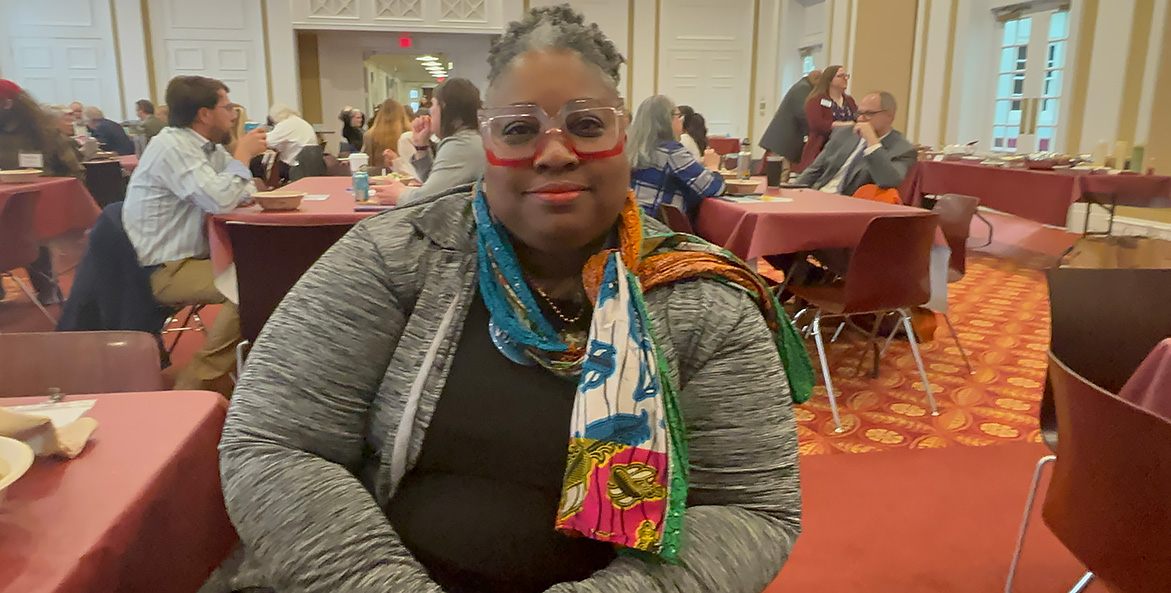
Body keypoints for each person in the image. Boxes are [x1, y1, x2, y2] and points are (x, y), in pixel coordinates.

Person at [218, 6, 807, 593]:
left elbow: (749, 506)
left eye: (586, 125)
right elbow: (274, 442)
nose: (554, 153)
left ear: (624, 138)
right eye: (520, 129)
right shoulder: (395, 254)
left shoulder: (702, 296)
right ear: (486, 140)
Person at [122, 75, 268, 397]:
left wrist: (236, 169)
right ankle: (196, 386)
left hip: (195, 258)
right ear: (204, 114)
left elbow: (241, 192)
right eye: (227, 108)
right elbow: (221, 197)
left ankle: (225, 379)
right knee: (255, 285)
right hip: (166, 269)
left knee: (265, 276)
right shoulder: (172, 146)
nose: (233, 115)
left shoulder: (206, 149)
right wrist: (242, 155)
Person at [0, 80, 80, 305]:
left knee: (35, 243)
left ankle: (47, 286)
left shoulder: (42, 132)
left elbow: (71, 168)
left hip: (38, 201)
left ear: (8, 103)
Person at [372, 78, 486, 205]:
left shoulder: (461, 145)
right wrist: (421, 147)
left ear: (443, 106)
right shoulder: (469, 138)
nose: (430, 110)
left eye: (433, 104)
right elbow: (437, 186)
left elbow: (429, 197)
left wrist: (400, 194)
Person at [795, 91, 916, 196]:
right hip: (820, 196)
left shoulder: (903, 149)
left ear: (890, 115)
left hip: (852, 206)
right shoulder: (844, 133)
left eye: (869, 114)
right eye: (859, 113)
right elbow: (815, 170)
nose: (861, 119)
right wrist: (793, 193)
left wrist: (872, 142)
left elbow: (888, 180)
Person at [628, 95, 725, 217]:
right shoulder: (671, 152)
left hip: (634, 225)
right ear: (666, 120)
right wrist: (712, 167)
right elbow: (714, 188)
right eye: (678, 116)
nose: (681, 121)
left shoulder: (632, 148)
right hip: (661, 230)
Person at [796, 65, 856, 173]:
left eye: (846, 76)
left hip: (845, 148)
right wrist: (845, 125)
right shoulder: (817, 100)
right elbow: (817, 124)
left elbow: (857, 118)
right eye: (840, 76)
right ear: (829, 80)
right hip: (822, 148)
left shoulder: (849, 100)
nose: (845, 79)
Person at [759, 69, 821, 164]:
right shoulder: (803, 88)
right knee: (780, 174)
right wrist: (816, 131)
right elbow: (804, 113)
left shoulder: (803, 86)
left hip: (783, 141)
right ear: (816, 80)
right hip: (783, 142)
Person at [361, 98, 413, 176]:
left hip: (378, 177)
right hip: (405, 176)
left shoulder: (369, 135)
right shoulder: (409, 134)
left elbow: (366, 160)